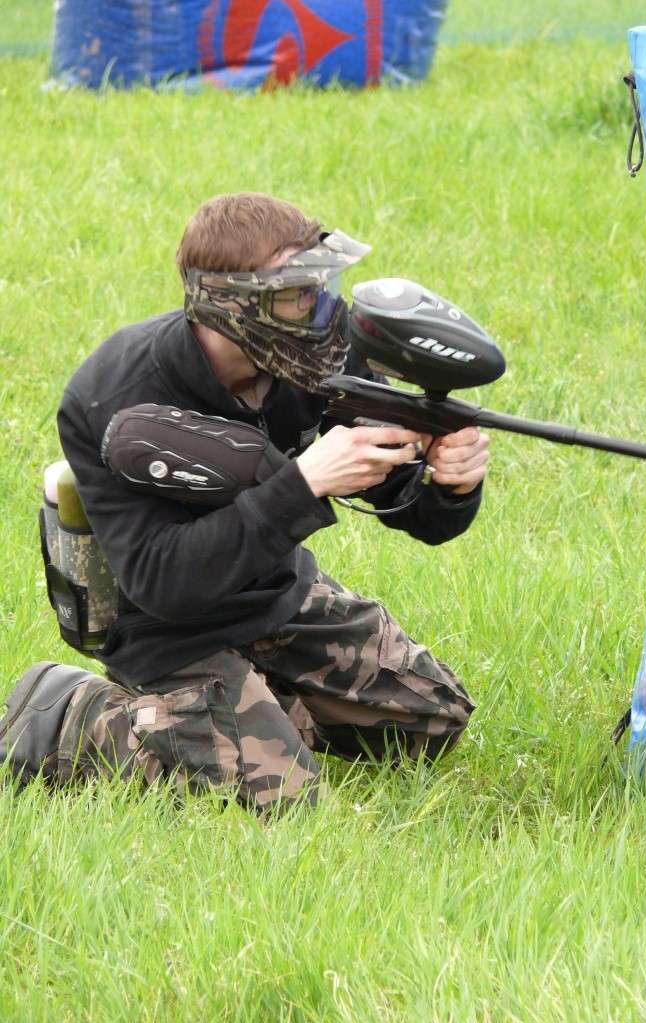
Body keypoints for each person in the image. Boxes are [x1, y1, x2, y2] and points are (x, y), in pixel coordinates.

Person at [1, 193, 490, 813]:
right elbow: (161, 583)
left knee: (433, 722)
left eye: (320, 287)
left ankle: (266, 707)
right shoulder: (113, 397)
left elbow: (416, 512)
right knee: (287, 800)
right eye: (297, 295)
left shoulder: (317, 357)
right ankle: (73, 713)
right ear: (226, 303)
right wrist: (304, 483)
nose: (321, 311)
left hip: (275, 595)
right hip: (167, 631)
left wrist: (451, 483)